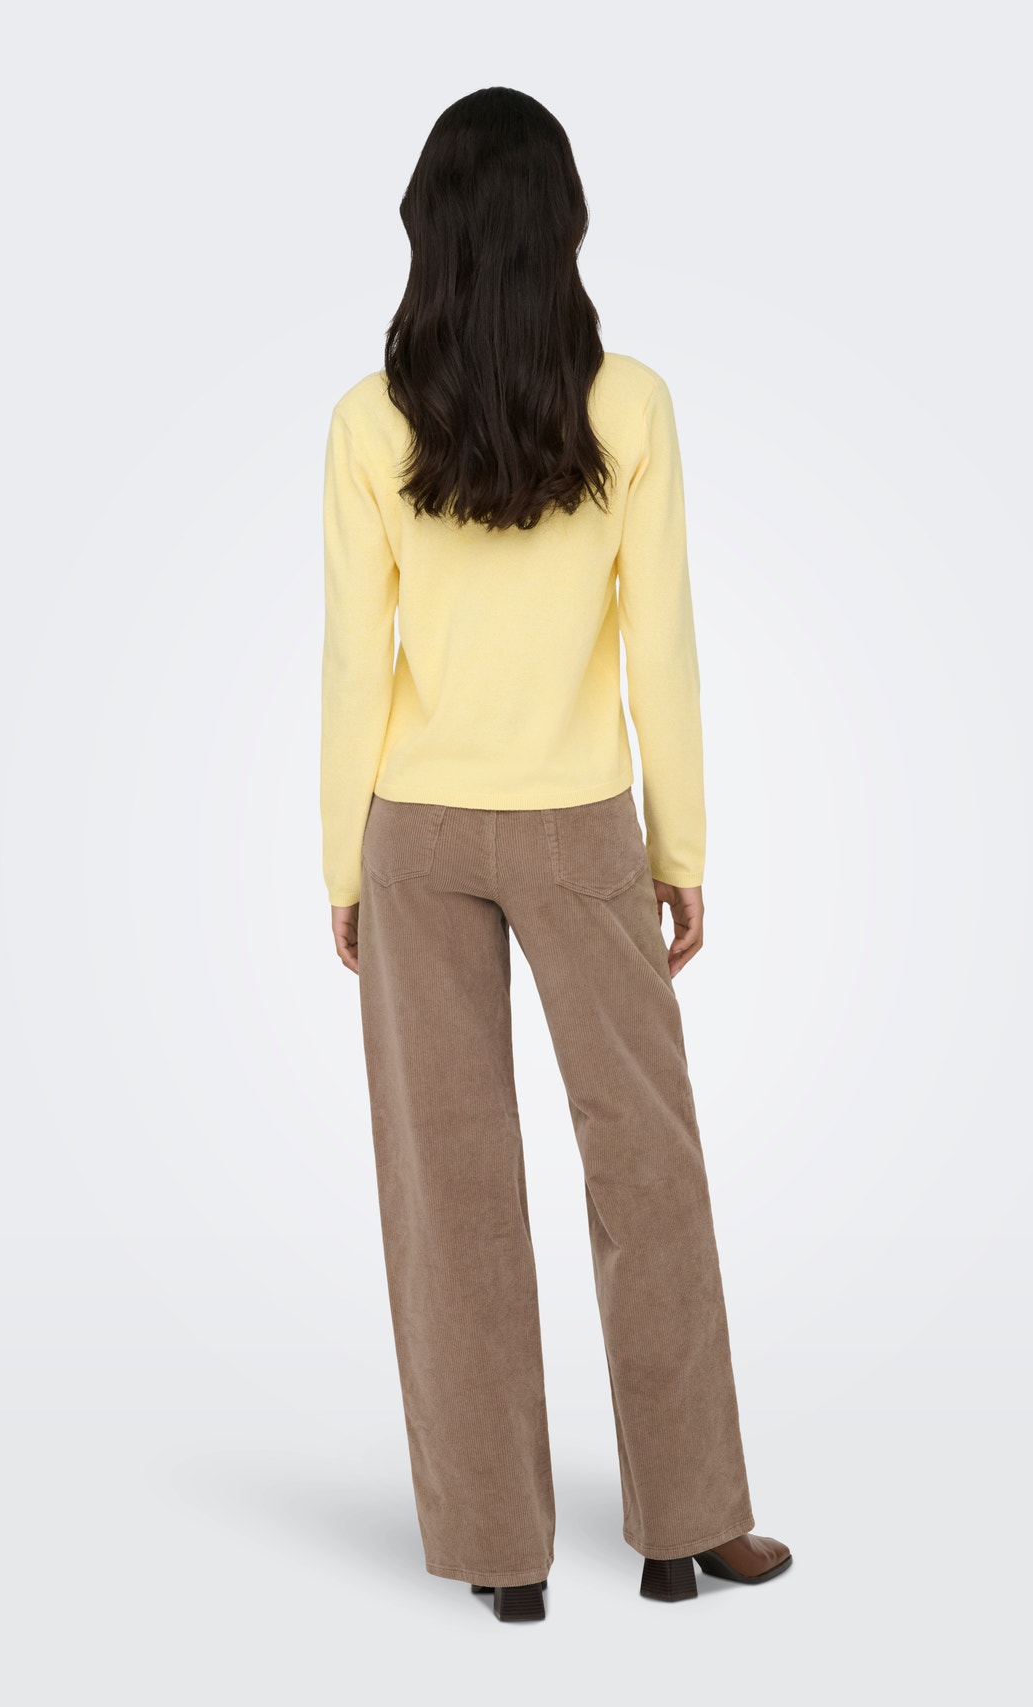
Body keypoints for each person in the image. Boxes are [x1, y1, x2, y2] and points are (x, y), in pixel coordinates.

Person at [320, 85, 791, 1623]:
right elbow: (665, 648)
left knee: (448, 1196)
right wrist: (681, 845)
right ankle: (688, 1529)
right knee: (647, 1170)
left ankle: (500, 1556)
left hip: (417, 832)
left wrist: (341, 865)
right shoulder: (630, 404)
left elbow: (354, 663)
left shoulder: (371, 421)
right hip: (582, 823)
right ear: (566, 228)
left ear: (429, 231)